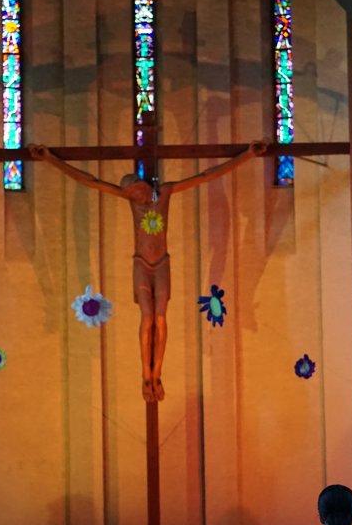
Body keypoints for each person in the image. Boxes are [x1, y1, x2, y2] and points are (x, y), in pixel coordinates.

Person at [30, 140, 267, 403]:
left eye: (137, 192)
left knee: (160, 318)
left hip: (162, 264)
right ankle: (146, 375)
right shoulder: (131, 201)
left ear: (143, 185)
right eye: (131, 196)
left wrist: (247, 156)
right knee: (147, 318)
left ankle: (158, 372)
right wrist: (51, 159)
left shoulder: (164, 193)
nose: (137, 198)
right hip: (141, 264)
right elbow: (90, 181)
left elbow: (205, 176)